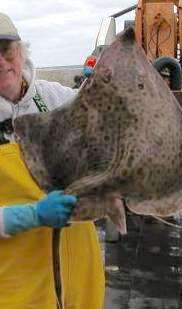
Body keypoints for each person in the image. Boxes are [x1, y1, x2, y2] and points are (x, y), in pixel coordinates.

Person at [0, 12, 105, 309]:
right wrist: (31, 216)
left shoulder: (55, 98)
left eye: (5, 49)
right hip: (15, 285)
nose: (1, 61)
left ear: (21, 51)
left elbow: (104, 125)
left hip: (78, 271)